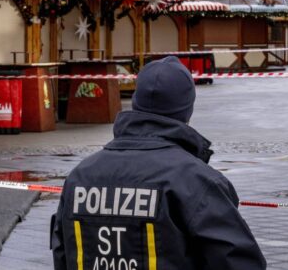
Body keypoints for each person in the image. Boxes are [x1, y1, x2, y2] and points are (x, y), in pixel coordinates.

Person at [51, 57, 266, 270]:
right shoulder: (196, 182)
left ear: (136, 103)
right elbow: (241, 262)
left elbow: (63, 254)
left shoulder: (80, 176)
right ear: (186, 112)